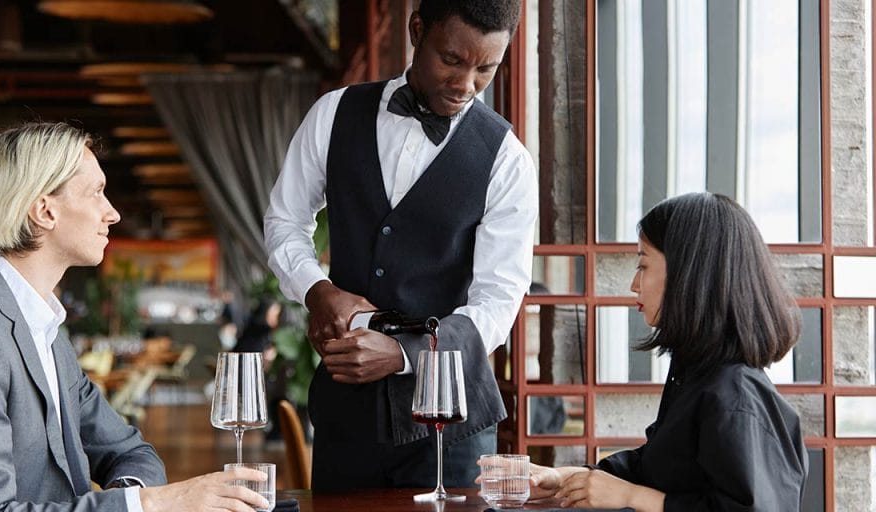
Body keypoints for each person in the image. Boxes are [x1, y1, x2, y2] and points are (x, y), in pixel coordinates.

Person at [0, 123, 269, 512]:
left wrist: (135, 498)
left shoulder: (44, 329)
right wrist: (151, 504)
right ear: (44, 210)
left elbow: (130, 450)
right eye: (96, 192)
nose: (113, 213)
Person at [264, 0, 536, 491]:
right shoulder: (333, 114)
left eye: (486, 69)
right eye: (452, 60)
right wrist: (317, 290)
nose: (466, 84)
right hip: (346, 413)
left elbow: (498, 301)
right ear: (416, 31)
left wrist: (404, 353)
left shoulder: (508, 161)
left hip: (449, 424)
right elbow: (285, 221)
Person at [487, 192, 808, 511]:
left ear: (689, 274)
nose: (634, 284)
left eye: (643, 264)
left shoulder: (735, 395)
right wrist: (566, 479)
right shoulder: (696, 374)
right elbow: (658, 467)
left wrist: (632, 497)